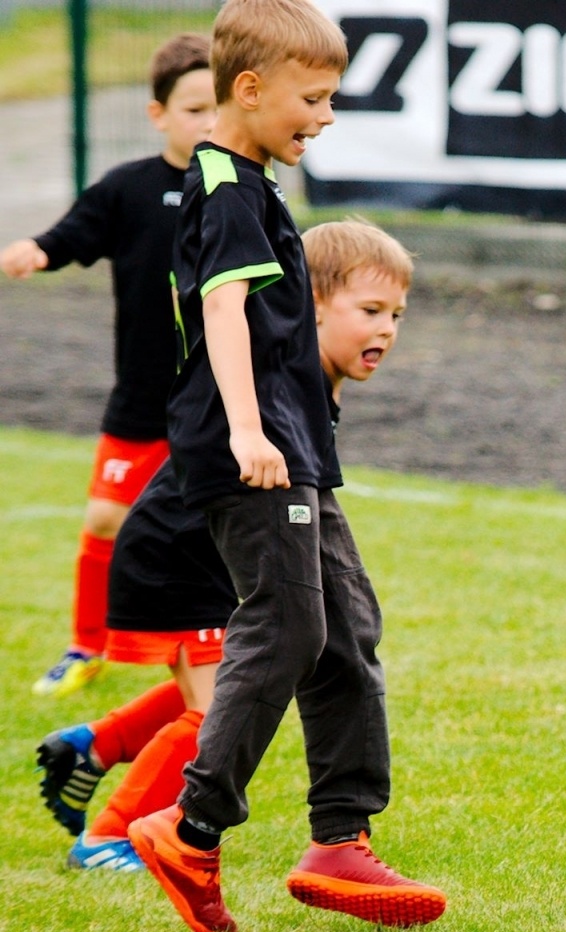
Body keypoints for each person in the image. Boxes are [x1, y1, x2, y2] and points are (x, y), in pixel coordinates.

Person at [124, 0, 445, 932]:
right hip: (252, 450)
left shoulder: (255, 184)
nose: (328, 115)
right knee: (290, 623)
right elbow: (225, 315)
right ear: (250, 89)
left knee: (346, 628)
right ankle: (191, 829)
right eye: (314, 97)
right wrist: (247, 429)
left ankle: (340, 840)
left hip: (294, 447)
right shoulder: (225, 189)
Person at [38, 219, 412, 876]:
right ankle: (109, 836)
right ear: (310, 305)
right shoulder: (276, 380)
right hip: (178, 558)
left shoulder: (315, 388)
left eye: (397, 315)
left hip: (211, 556)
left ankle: (93, 745)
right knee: (218, 704)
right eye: (371, 311)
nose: (386, 329)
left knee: (257, 671)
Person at [1, 33, 215, 698]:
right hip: (143, 398)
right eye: (193, 109)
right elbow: (74, 233)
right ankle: (85, 646)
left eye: (218, 110)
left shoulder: (239, 191)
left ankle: (216, 654)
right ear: (157, 115)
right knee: (103, 518)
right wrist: (38, 249)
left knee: (213, 533)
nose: (208, 123)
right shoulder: (127, 188)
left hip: (213, 399)